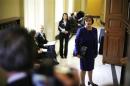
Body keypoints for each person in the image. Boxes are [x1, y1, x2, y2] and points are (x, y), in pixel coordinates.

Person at [75, 16, 98, 86]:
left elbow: (96, 41)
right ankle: (82, 83)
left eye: (90, 20)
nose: (88, 22)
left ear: (92, 22)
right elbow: (76, 41)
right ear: (84, 22)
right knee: (83, 68)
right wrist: (77, 52)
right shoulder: (81, 30)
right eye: (87, 21)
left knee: (90, 67)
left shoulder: (95, 30)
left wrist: (96, 51)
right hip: (83, 51)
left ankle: (90, 81)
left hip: (91, 51)